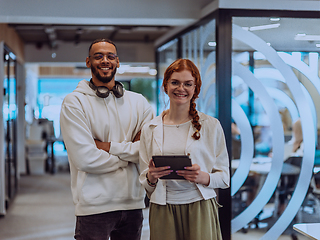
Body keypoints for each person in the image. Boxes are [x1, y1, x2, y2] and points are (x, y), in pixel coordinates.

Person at [60, 38, 154, 240]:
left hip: (133, 204)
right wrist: (129, 155)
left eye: (110, 56)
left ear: (117, 62)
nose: (105, 60)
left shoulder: (139, 103)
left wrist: (106, 146)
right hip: (93, 207)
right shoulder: (74, 103)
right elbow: (85, 158)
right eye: (98, 56)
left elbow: (147, 150)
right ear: (88, 62)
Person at [139, 58, 230, 240]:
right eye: (175, 82)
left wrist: (204, 177)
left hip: (200, 207)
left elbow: (224, 177)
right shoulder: (150, 128)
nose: (181, 88)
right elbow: (145, 182)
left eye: (188, 84)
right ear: (165, 86)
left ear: (195, 88)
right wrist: (151, 176)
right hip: (162, 209)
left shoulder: (211, 125)